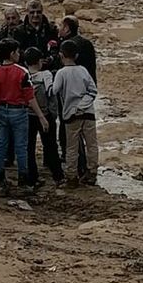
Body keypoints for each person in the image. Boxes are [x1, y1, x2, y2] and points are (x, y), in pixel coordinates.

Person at [0, 38, 48, 194]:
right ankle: (23, 178)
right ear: (13, 53)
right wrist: (41, 116)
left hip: (2, 110)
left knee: (0, 144)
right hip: (19, 111)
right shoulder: (22, 72)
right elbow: (30, 96)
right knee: (21, 146)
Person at [51, 40, 99, 187]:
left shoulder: (61, 73)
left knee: (72, 147)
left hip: (71, 114)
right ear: (76, 55)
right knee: (91, 144)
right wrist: (83, 105)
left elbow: (54, 90)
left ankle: (72, 177)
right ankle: (92, 173)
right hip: (88, 113)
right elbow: (93, 90)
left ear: (60, 55)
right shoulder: (83, 70)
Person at [23, 47, 62, 187]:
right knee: (51, 145)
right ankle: (58, 175)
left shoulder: (23, 74)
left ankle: (32, 177)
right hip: (45, 115)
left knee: (29, 147)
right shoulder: (46, 74)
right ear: (40, 61)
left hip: (27, 115)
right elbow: (51, 92)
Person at [57, 15, 97, 83]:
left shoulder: (66, 46)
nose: (58, 28)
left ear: (66, 28)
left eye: (60, 25)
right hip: (88, 83)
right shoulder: (87, 43)